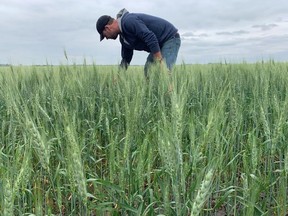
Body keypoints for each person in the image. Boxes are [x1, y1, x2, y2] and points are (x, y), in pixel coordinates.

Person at [96, 8, 181, 77]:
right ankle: (152, 95)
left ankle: (171, 95)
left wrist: (161, 63)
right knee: (148, 71)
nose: (106, 38)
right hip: (158, 44)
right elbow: (126, 59)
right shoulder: (123, 38)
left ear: (107, 28)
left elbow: (150, 37)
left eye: (104, 36)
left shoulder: (128, 21)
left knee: (164, 72)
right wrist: (118, 77)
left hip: (170, 38)